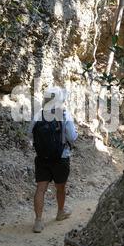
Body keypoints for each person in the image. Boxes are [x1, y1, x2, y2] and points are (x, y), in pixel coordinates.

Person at [28, 87, 78, 233]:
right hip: (61, 157)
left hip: (42, 158)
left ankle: (38, 222)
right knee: (60, 187)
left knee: (40, 189)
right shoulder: (64, 115)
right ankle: (60, 212)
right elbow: (72, 137)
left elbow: (29, 134)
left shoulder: (39, 114)